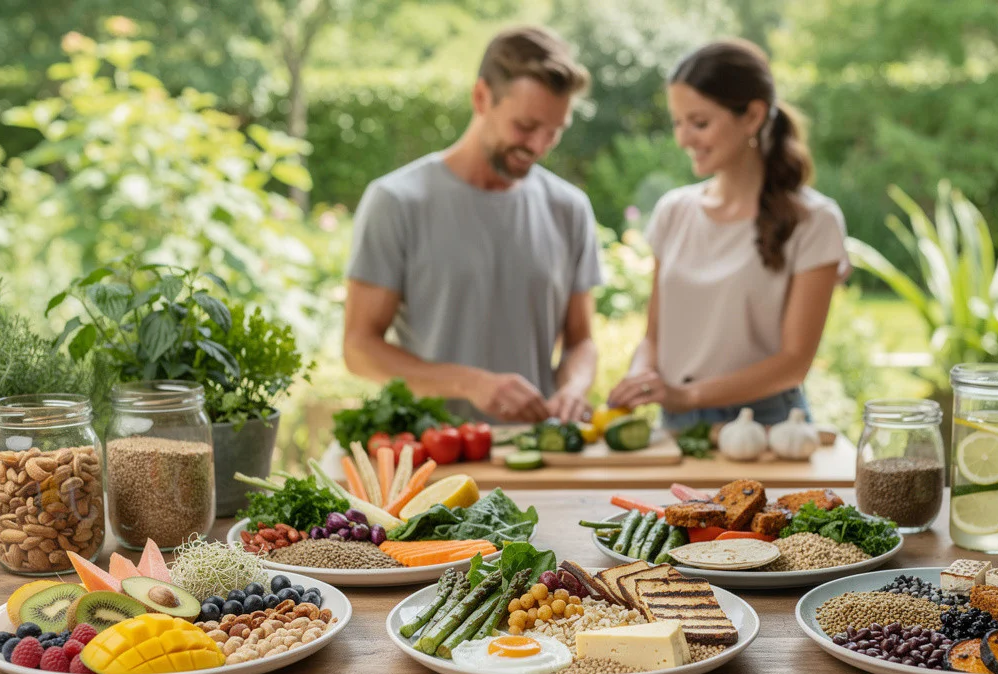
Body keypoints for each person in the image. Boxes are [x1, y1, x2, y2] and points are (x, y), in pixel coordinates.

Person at [344, 26, 600, 424]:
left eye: (554, 132)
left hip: (535, 456)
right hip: (434, 454)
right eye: (526, 127)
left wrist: (573, 388)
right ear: (482, 97)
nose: (539, 146)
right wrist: (470, 383)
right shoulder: (397, 201)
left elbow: (581, 341)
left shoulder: (570, 208)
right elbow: (360, 348)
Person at [608, 39, 849, 430]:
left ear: (752, 116)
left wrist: (688, 395)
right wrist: (641, 378)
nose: (684, 138)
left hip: (767, 427)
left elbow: (794, 363)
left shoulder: (814, 220)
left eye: (699, 123)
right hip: (677, 425)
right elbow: (653, 336)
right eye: (678, 122)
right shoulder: (674, 212)